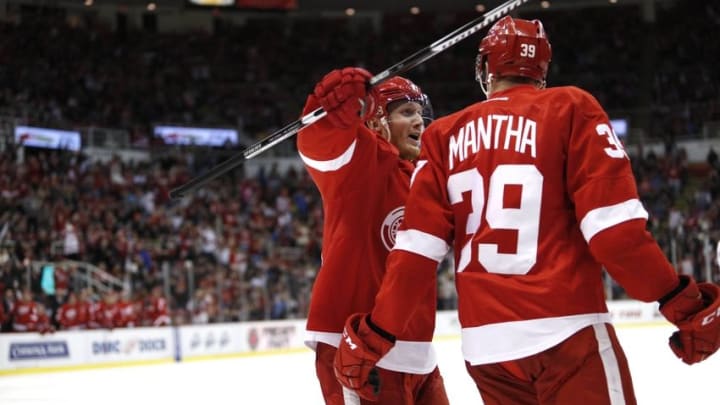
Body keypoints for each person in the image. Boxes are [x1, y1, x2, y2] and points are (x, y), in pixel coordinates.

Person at [333, 16, 720, 405]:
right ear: (542, 70)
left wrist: (376, 335)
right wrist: (681, 304)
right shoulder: (572, 107)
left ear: (486, 69)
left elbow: (415, 253)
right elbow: (614, 234)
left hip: (487, 353)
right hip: (567, 334)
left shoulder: (443, 135)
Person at [297, 68, 449, 405]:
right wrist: (330, 111)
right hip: (356, 348)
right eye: (407, 113)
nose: (419, 122)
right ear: (378, 120)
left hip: (417, 350)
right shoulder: (362, 160)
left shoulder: (421, 177)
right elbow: (318, 145)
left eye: (420, 114)